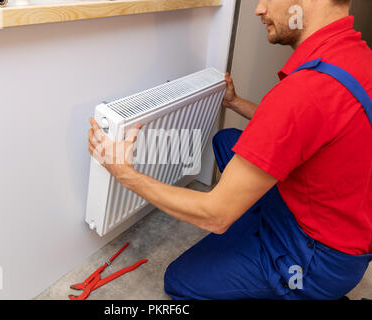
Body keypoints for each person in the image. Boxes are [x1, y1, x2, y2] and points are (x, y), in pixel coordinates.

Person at [87, 0, 371, 299]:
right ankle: (251, 215)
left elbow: (215, 216)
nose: (259, 9)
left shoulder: (305, 89)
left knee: (179, 281)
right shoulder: (355, 56)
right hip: (345, 226)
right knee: (226, 140)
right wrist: (236, 103)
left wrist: (124, 173)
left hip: (313, 259)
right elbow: (309, 126)